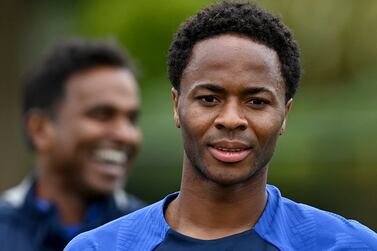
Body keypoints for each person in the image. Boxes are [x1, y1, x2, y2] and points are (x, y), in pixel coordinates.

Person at [65, 1, 377, 250]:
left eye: (256, 102)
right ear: (178, 105)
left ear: (285, 114)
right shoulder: (98, 247)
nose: (231, 119)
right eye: (209, 99)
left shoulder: (345, 245)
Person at [0, 38, 145, 251]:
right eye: (102, 115)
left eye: (131, 119)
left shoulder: (152, 235)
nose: (126, 135)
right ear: (40, 129)